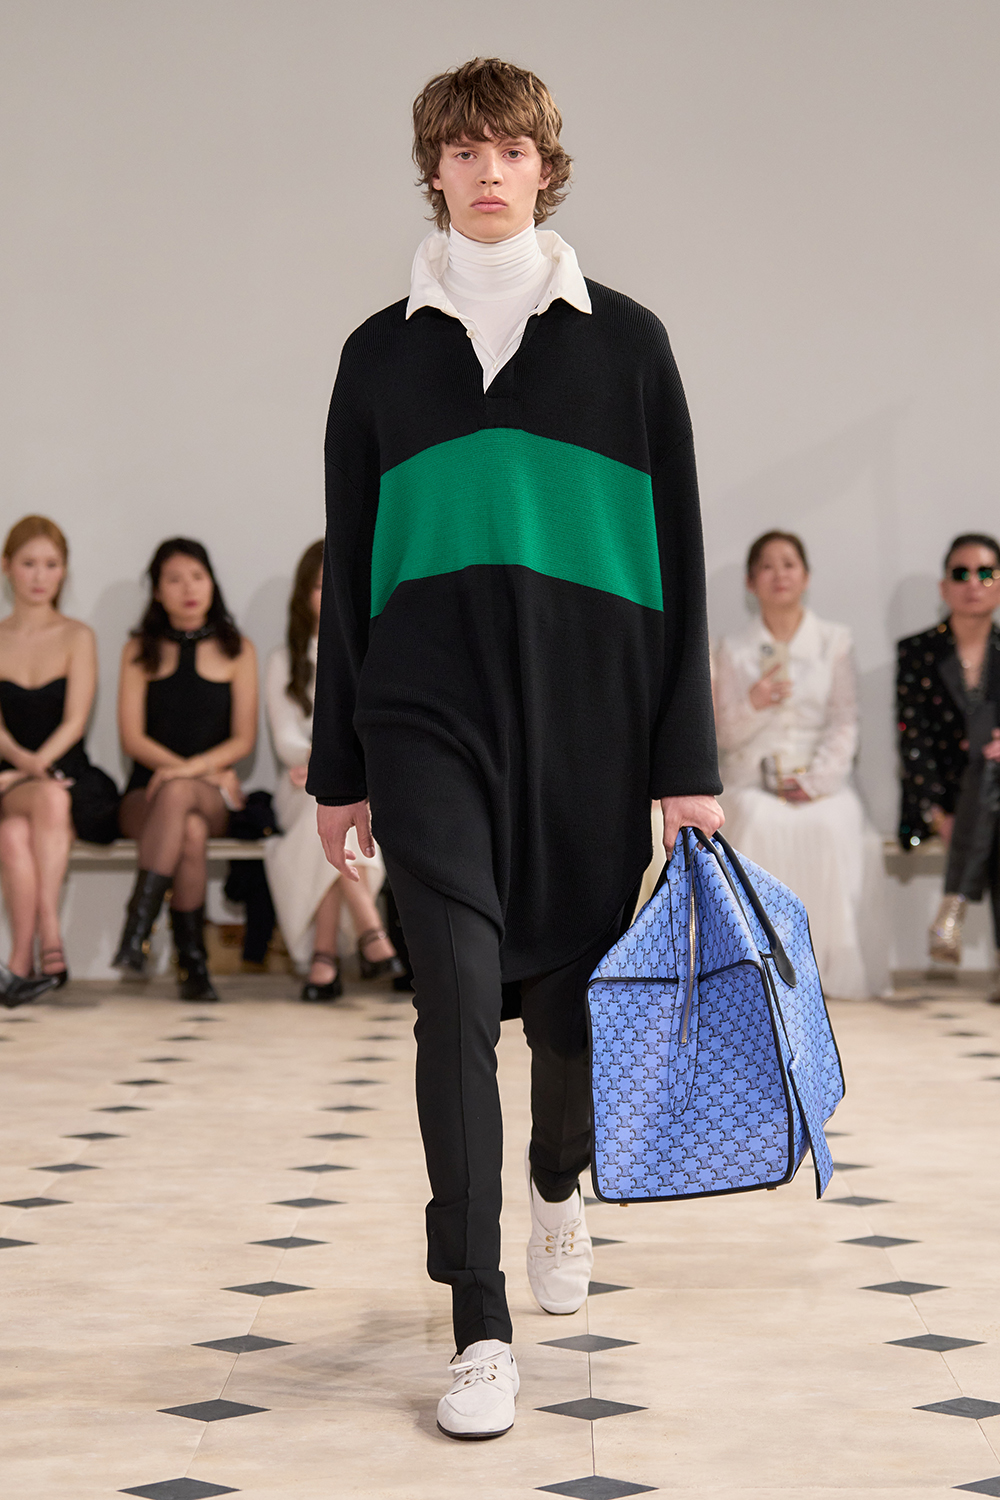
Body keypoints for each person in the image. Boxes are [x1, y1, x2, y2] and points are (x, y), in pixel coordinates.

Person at [307, 58, 723, 1439]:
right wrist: (339, 769)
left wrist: (686, 764)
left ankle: (558, 1182)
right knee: (452, 1002)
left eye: (512, 149)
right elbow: (351, 571)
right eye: (463, 150)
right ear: (433, 170)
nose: (488, 170)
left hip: (592, 725)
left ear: (547, 167)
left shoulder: (628, 345)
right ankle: (477, 1320)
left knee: (564, 1015)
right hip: (425, 717)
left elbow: (680, 564)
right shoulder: (378, 356)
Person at [712, 530, 885, 1000]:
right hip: (752, 778)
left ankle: (826, 971)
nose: (779, 575)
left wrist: (817, 782)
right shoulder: (732, 648)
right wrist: (754, 702)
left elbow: (844, 721)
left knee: (830, 824)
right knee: (756, 819)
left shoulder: (833, 641)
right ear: (750, 582)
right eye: (766, 566)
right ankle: (759, 975)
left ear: (806, 576)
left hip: (821, 781)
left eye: (788, 564)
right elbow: (723, 735)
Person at [113, 538, 257, 1001]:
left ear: (212, 582)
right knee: (189, 830)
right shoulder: (138, 650)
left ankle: (138, 929)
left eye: (197, 576)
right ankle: (193, 965)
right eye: (174, 580)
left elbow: (244, 739)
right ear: (157, 591)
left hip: (212, 796)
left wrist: (188, 773)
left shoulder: (239, 650)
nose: (188, 588)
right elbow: (133, 740)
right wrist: (193, 771)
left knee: (182, 799)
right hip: (145, 795)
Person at [264, 539, 401, 999]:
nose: (330, 595)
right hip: (298, 782)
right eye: (319, 586)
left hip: (356, 781)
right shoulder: (284, 660)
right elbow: (284, 739)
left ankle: (324, 956)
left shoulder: (372, 652)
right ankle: (369, 926)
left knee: (333, 804)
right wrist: (321, 762)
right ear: (303, 594)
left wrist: (336, 769)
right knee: (324, 803)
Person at [0, 515, 120, 1005]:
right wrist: (21, 766)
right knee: (42, 802)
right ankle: (50, 938)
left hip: (66, 773)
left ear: (64, 571)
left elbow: (74, 722)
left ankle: (19, 963)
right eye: (29, 563)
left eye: (51, 565)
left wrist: (30, 768)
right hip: (10, 774)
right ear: (7, 566)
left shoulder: (77, 636)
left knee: (17, 831)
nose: (39, 576)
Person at [897, 532, 1000, 996]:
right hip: (939, 801)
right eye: (961, 573)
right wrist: (939, 815)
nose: (973, 583)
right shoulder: (917, 652)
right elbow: (912, 740)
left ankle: (953, 903)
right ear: (944, 587)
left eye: (986, 573)